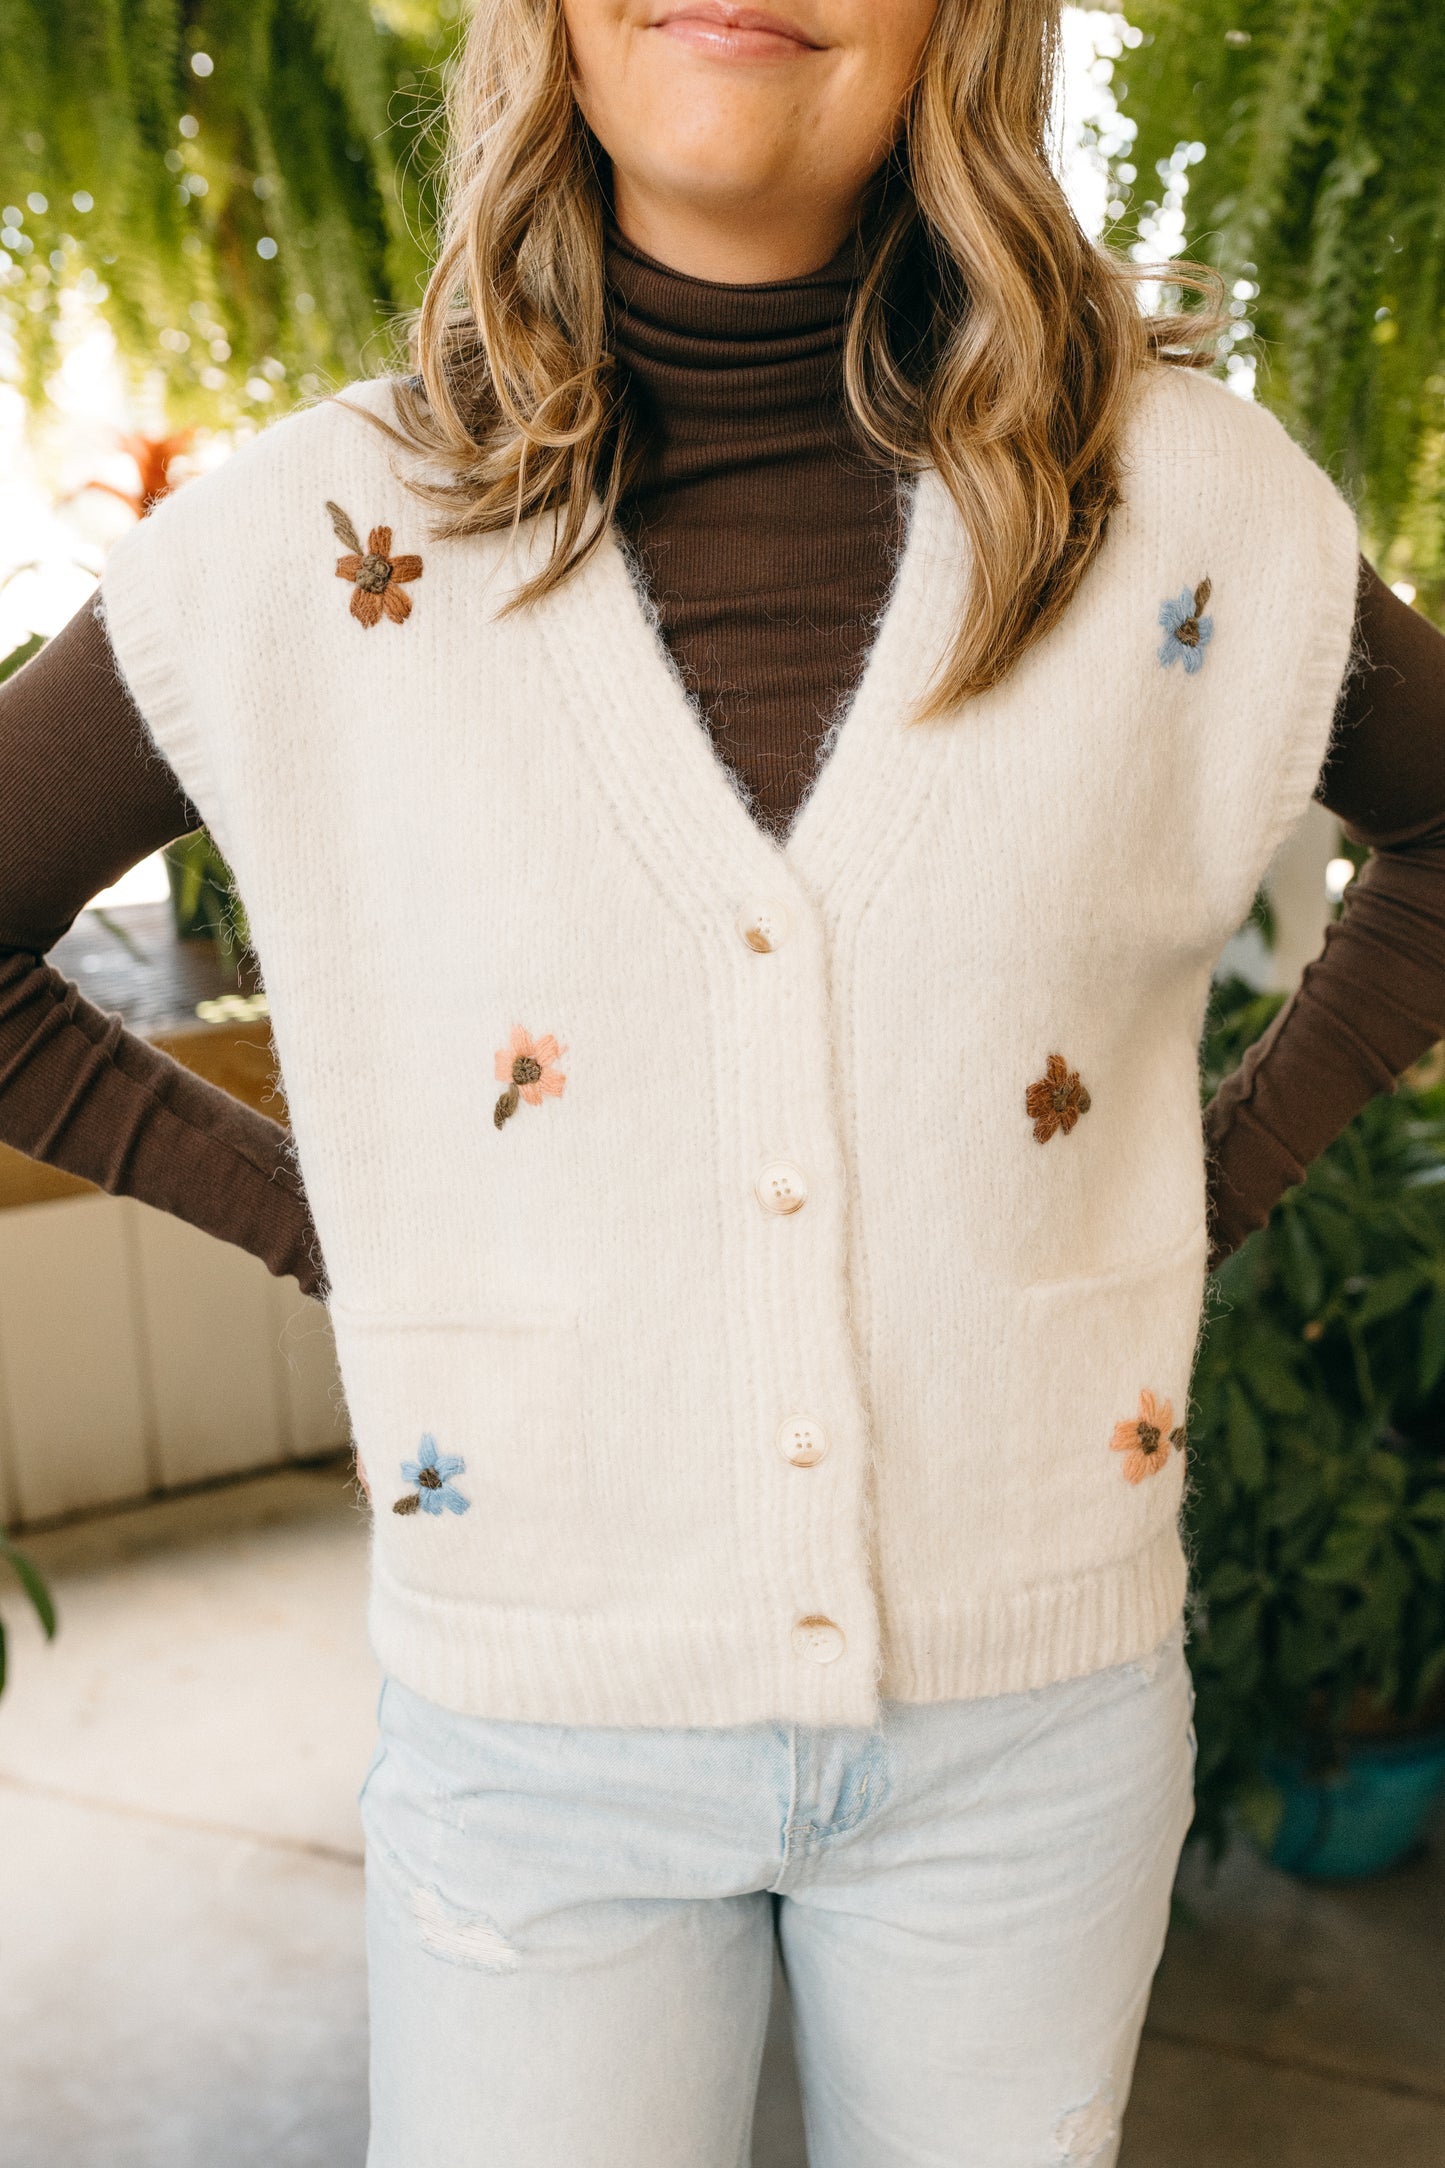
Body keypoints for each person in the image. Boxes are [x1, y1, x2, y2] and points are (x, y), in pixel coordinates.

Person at [3, 3, 1445, 2161]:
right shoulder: (313, 550)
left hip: (1034, 1727)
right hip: (530, 1734)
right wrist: (334, 1223)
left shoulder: (1185, 510)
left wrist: (1198, 1184)